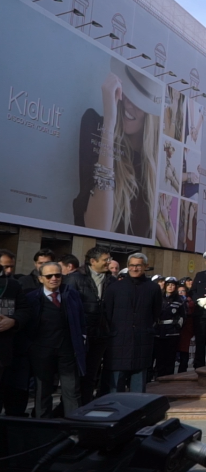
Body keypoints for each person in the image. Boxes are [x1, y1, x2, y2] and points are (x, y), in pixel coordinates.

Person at [74, 60, 160, 239]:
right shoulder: (94, 124)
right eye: (127, 93)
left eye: (138, 101)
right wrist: (110, 123)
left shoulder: (153, 165)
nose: (128, 104)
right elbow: (98, 229)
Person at [25, 261, 86, 417]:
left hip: (67, 350)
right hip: (41, 351)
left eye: (57, 275)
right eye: (49, 275)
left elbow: (80, 318)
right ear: (40, 279)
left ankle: (75, 425)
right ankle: (42, 425)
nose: (54, 278)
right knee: (42, 390)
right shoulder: (31, 299)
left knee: (72, 390)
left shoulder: (71, 295)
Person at [104, 253, 162, 393]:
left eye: (138, 265)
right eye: (131, 265)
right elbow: (107, 314)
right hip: (118, 342)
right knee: (115, 386)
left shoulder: (153, 288)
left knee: (138, 386)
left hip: (142, 340)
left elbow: (156, 314)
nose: (134, 268)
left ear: (145, 267)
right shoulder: (115, 288)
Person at [62, 249, 113, 403]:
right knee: (75, 375)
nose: (108, 263)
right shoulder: (74, 279)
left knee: (91, 374)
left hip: (101, 335)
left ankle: (86, 405)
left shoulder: (112, 281)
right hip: (79, 336)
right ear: (93, 261)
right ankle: (69, 408)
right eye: (105, 259)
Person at [0, 249, 31, 416]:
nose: (9, 271)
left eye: (11, 266)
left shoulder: (13, 285)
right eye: (4, 267)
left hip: (5, 351)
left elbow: (24, 310)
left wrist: (14, 321)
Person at [154, 278, 183, 378]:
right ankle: (159, 376)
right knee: (159, 357)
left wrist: (178, 325)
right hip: (159, 330)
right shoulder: (159, 298)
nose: (170, 287)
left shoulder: (179, 300)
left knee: (170, 357)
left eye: (173, 285)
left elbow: (183, 315)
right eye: (168, 284)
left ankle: (168, 377)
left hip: (172, 332)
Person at [176, 284, 195, 373]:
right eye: (179, 291)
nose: (181, 293)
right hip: (174, 328)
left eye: (182, 291)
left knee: (184, 350)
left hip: (186, 328)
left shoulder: (189, 301)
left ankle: (182, 370)